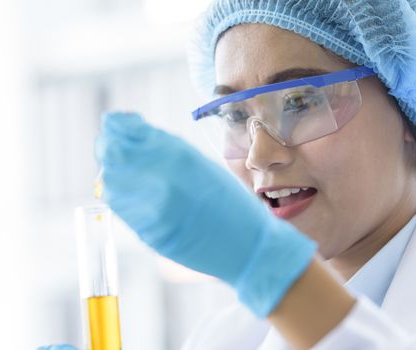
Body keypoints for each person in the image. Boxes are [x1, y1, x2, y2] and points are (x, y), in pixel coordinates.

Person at [41, 0, 416, 348]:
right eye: (236, 116)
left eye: (300, 102)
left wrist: (269, 270)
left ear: (403, 103)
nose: (259, 155)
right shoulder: (228, 337)